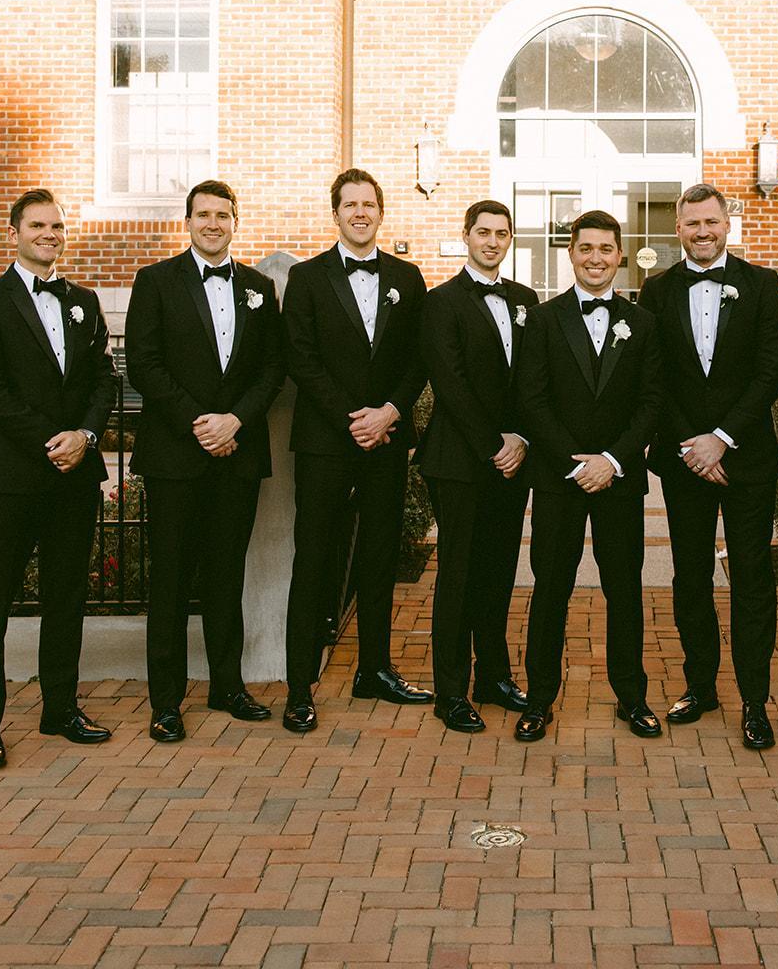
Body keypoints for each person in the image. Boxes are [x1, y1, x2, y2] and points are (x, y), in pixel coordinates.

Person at [125, 180, 284, 743]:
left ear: (235, 222)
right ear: (188, 221)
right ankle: (166, 702)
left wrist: (234, 420)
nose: (213, 224)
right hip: (175, 456)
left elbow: (273, 366)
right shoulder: (155, 281)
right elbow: (144, 364)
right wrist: (201, 423)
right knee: (170, 581)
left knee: (226, 576)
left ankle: (227, 686)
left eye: (223, 215)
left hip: (237, 454)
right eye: (203, 215)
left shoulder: (260, 287)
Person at [281, 168, 430, 731]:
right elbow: (300, 358)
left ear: (381, 213)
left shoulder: (408, 278)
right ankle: (300, 685)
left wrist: (389, 411)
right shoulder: (306, 277)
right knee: (314, 559)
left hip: (386, 440)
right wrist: (354, 419)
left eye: (369, 204)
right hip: (326, 441)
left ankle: (375, 670)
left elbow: (419, 357)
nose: (360, 213)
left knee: (379, 557)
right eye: (351, 204)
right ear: (336, 213)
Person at [638, 183, 778, 749]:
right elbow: (653, 376)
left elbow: (771, 370)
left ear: (728, 225)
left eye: (711, 221)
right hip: (684, 460)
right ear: (678, 229)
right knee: (691, 577)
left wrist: (722, 439)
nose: (702, 231)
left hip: (747, 458)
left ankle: (754, 700)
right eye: (692, 223)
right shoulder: (655, 291)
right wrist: (692, 446)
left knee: (752, 577)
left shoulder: (762, 284)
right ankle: (700, 685)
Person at [0, 190, 116, 770]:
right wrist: (49, 439)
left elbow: (105, 380)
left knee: (67, 597)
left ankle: (60, 708)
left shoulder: (84, 300)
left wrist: (84, 435)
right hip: (9, 477)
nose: (49, 234)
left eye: (57, 226)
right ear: (14, 233)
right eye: (37, 225)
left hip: (73, 477)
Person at [514, 209, 663, 743]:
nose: (595, 259)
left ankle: (632, 696)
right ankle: (538, 699)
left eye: (605, 249)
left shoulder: (643, 322)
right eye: (585, 248)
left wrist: (613, 461)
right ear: (571, 253)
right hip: (560, 479)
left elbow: (651, 401)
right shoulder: (543, 319)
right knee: (551, 588)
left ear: (619, 256)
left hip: (619, 478)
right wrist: (576, 464)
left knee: (624, 590)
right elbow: (531, 399)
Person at [418, 200, 536, 732]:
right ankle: (450, 691)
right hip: (460, 460)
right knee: (458, 576)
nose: (492, 241)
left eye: (501, 233)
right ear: (466, 236)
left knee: (498, 573)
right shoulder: (441, 301)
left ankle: (493, 677)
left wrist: (522, 440)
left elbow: (534, 379)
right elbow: (451, 382)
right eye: (483, 232)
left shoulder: (526, 300)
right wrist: (494, 444)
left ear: (510, 240)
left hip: (513, 461)